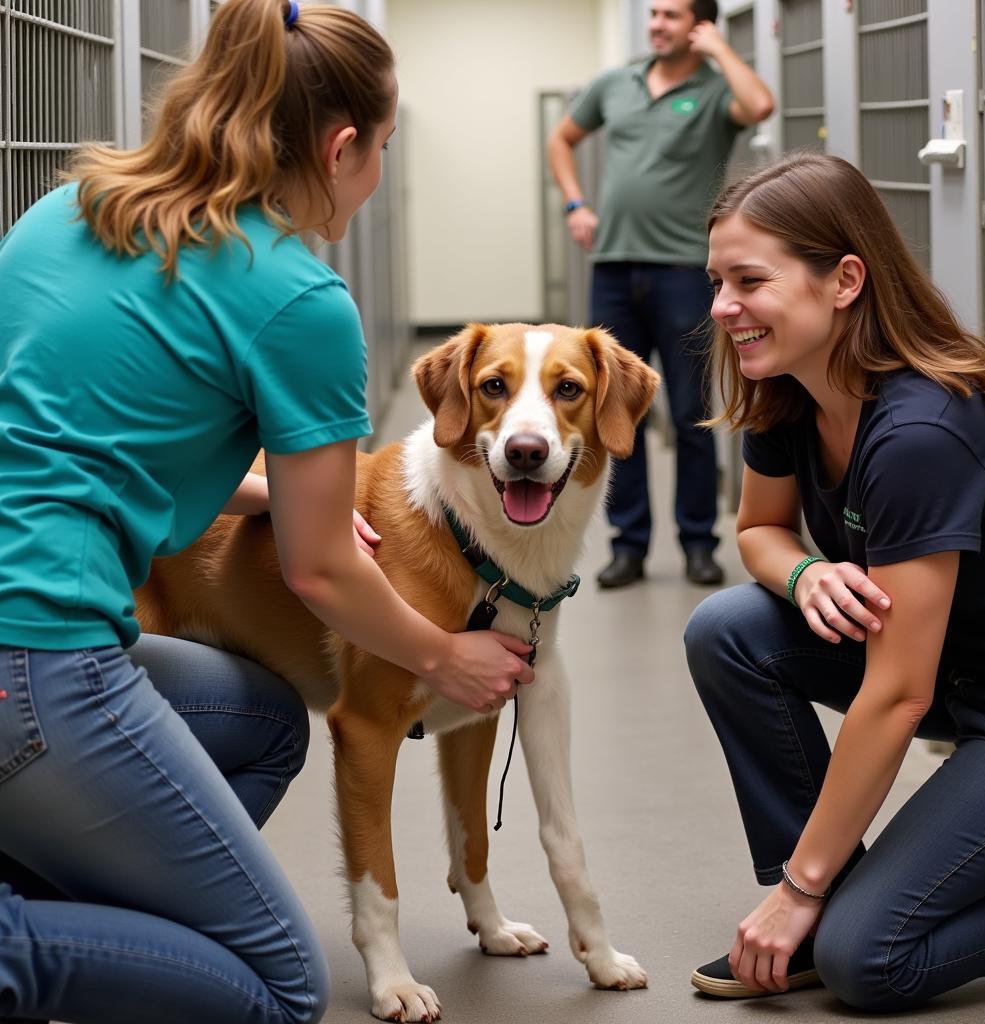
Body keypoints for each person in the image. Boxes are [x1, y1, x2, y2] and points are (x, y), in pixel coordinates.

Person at [0, 2, 535, 1022]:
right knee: (277, 986)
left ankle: (88, 919)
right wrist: (442, 654)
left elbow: (67, 428)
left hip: (25, 641)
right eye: (380, 149)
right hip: (35, 658)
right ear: (340, 149)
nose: (377, 174)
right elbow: (321, 571)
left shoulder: (65, 209)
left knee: (258, 718)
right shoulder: (298, 300)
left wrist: (258, 491)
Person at [684, 151, 985, 1010]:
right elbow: (758, 530)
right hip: (954, 672)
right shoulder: (788, 388)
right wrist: (803, 574)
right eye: (717, 281)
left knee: (865, 959)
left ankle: (817, 906)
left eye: (749, 282)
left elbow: (897, 696)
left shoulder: (921, 433)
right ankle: (827, 899)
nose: (724, 308)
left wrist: (799, 889)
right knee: (728, 629)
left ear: (843, 281)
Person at [546, 0, 773, 589]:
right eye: (653, 14)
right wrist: (576, 203)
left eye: (671, 15)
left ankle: (698, 541)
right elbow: (562, 139)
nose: (656, 25)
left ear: (699, 24)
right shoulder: (615, 84)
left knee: (692, 410)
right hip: (614, 268)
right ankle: (629, 544)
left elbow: (760, 105)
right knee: (615, 410)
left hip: (684, 270)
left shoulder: (716, 88)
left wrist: (719, 50)